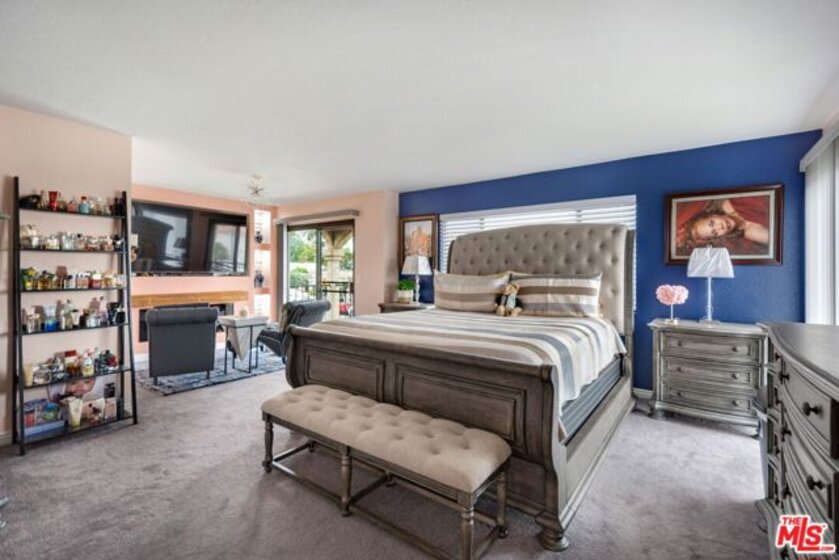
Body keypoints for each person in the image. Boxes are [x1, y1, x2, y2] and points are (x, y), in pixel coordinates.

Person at [675, 196, 770, 256]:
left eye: (712, 223)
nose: (720, 227)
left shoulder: (730, 201)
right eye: (715, 232)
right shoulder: (750, 232)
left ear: (713, 215)